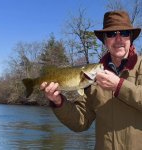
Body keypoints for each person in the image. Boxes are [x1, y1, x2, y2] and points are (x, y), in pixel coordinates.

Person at [40, 10, 142, 150]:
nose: (118, 39)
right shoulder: (92, 78)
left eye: (124, 33)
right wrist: (58, 102)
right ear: (105, 41)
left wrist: (119, 86)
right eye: (111, 34)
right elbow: (80, 122)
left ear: (130, 38)